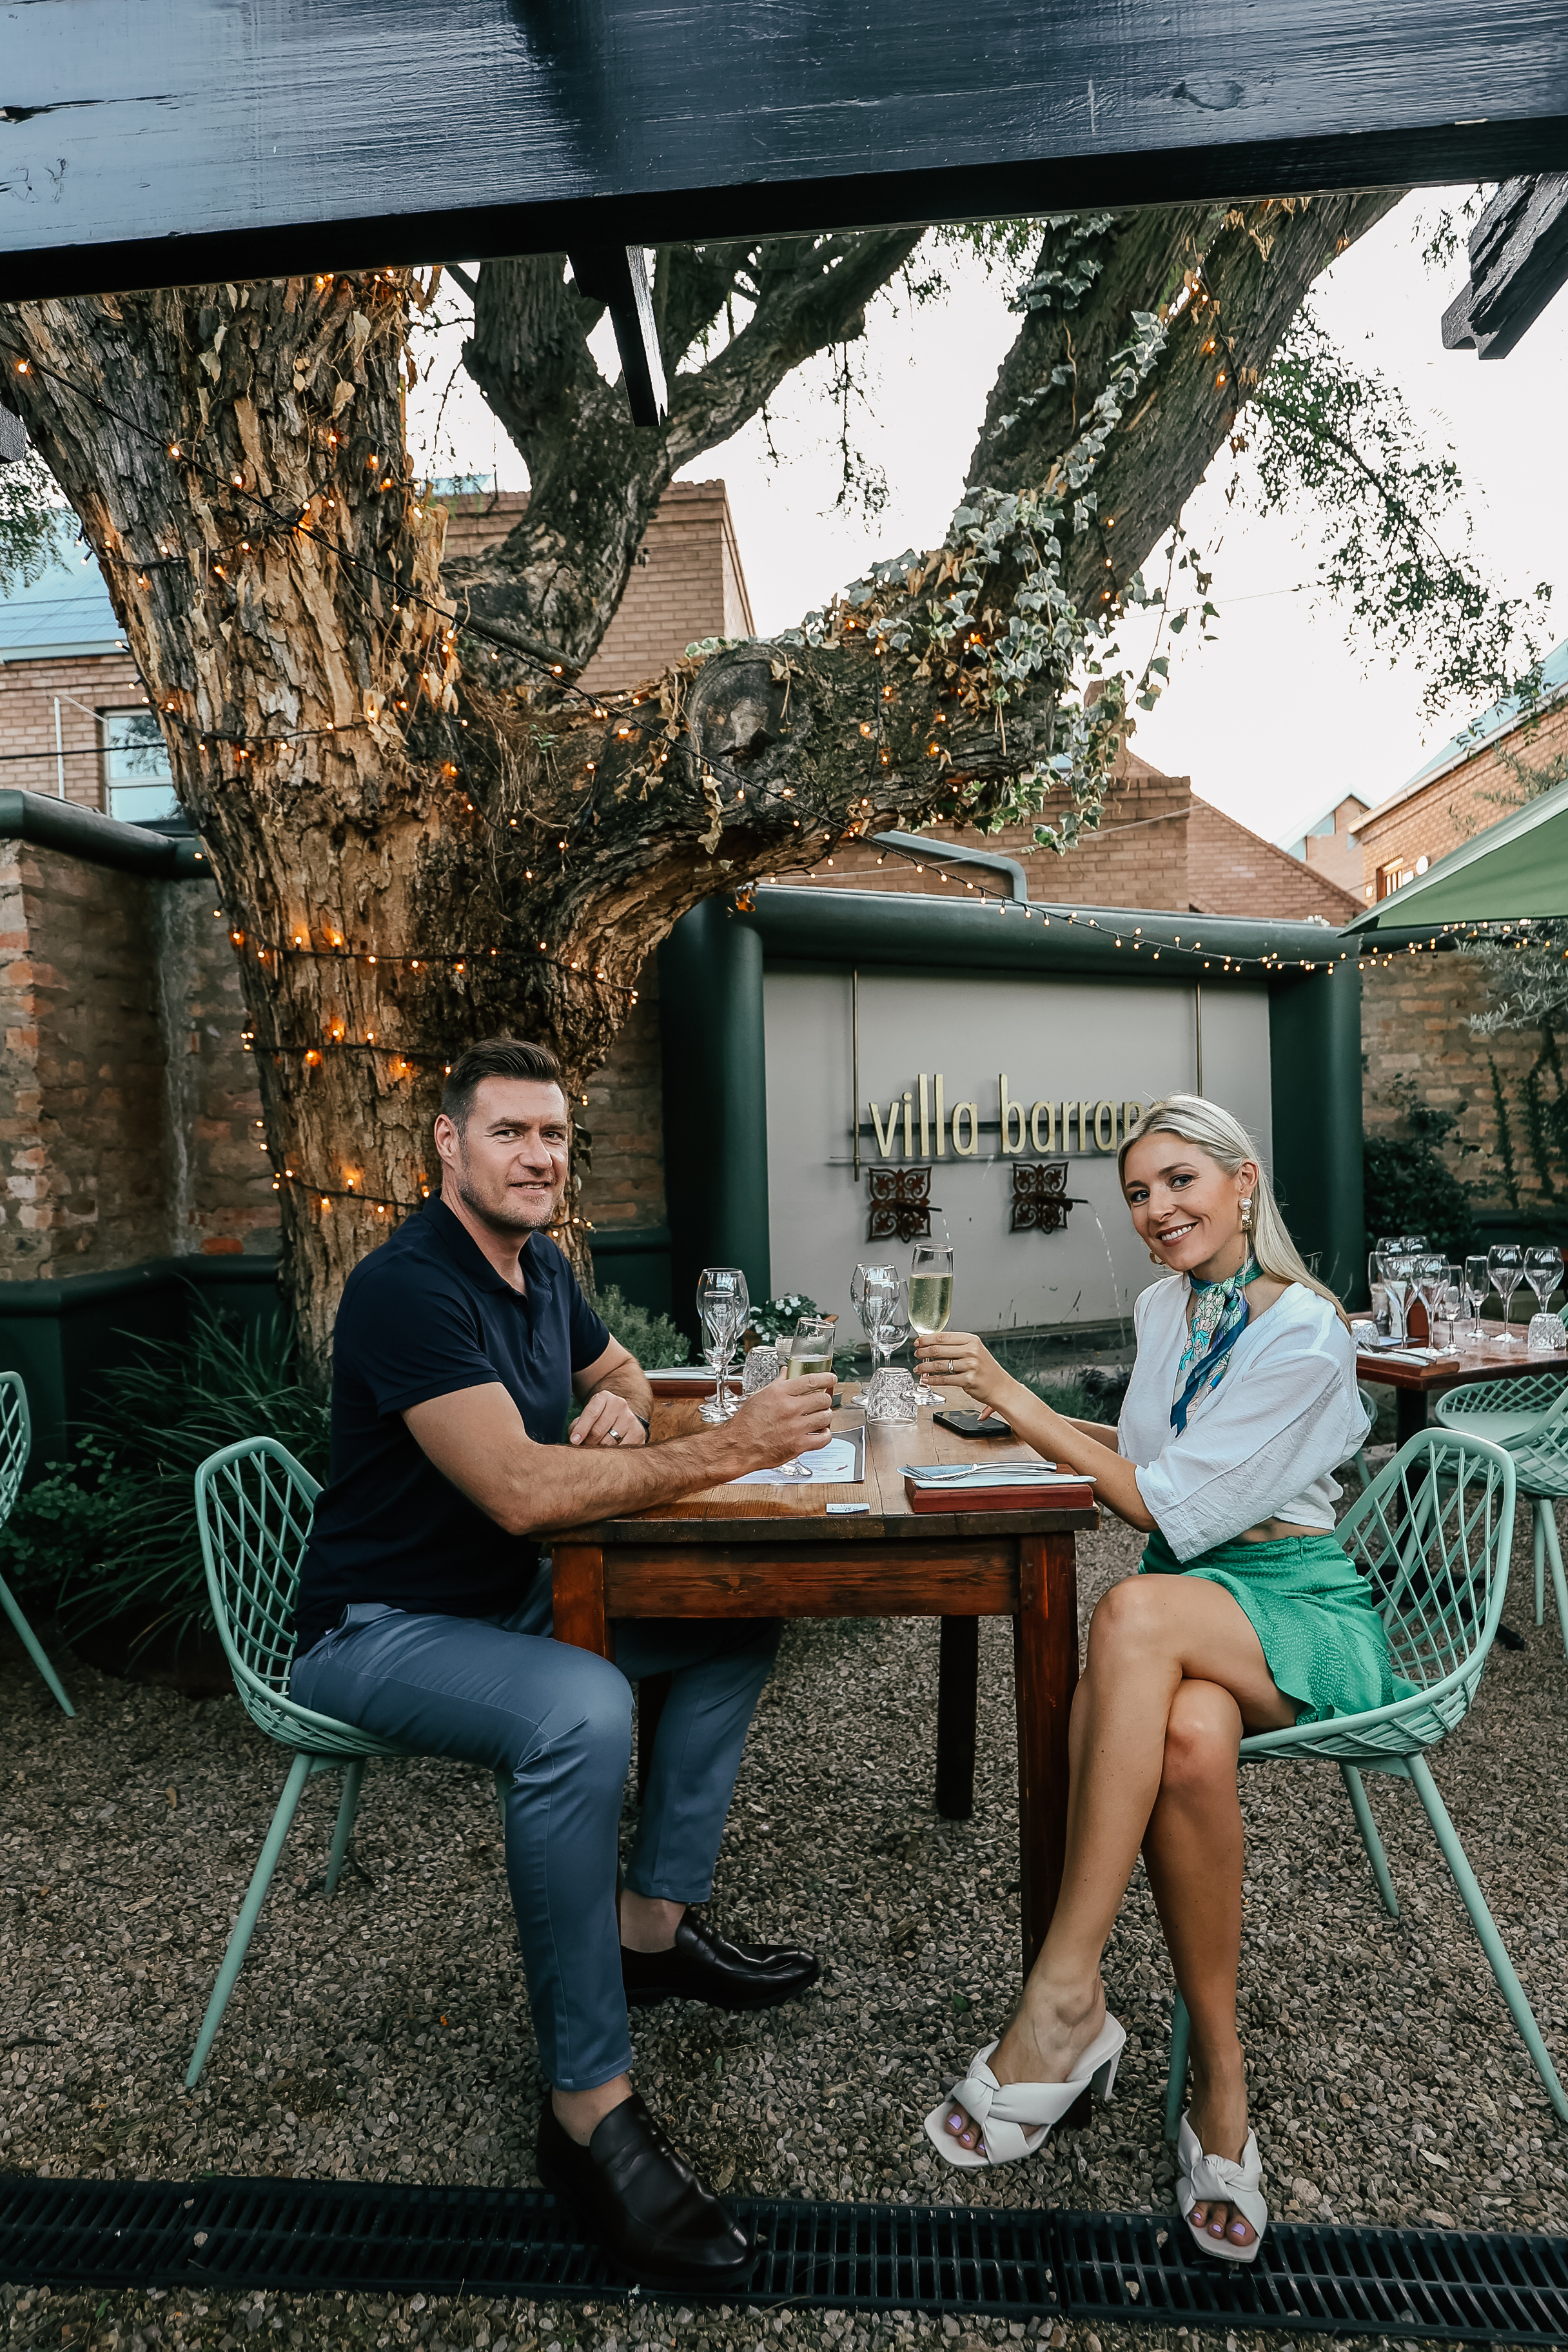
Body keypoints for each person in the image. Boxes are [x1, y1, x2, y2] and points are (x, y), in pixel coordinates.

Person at [290, 1037, 836, 2289]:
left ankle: (650, 1929)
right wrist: (728, 1447)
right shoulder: (408, 1287)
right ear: (448, 1144)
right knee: (581, 1710)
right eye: (510, 1132)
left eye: (552, 1135)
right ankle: (587, 2110)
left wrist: (628, 1407)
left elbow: (619, 1371)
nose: (538, 1156)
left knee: (735, 1618)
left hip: (508, 1604)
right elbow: (524, 1493)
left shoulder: (541, 1268)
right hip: (376, 1628)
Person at [912, 1094, 1383, 2266]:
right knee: (1185, 1741)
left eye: (1180, 1181)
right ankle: (1222, 2077)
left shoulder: (1308, 1332)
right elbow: (1149, 1454)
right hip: (1191, 1612)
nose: (1158, 1209)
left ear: (1242, 1183)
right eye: (1137, 1193)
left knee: (1126, 1610)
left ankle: (1066, 1994)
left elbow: (1167, 1507)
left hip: (1294, 1604)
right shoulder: (1164, 1306)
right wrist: (1008, 1436)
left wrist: (1015, 1398)